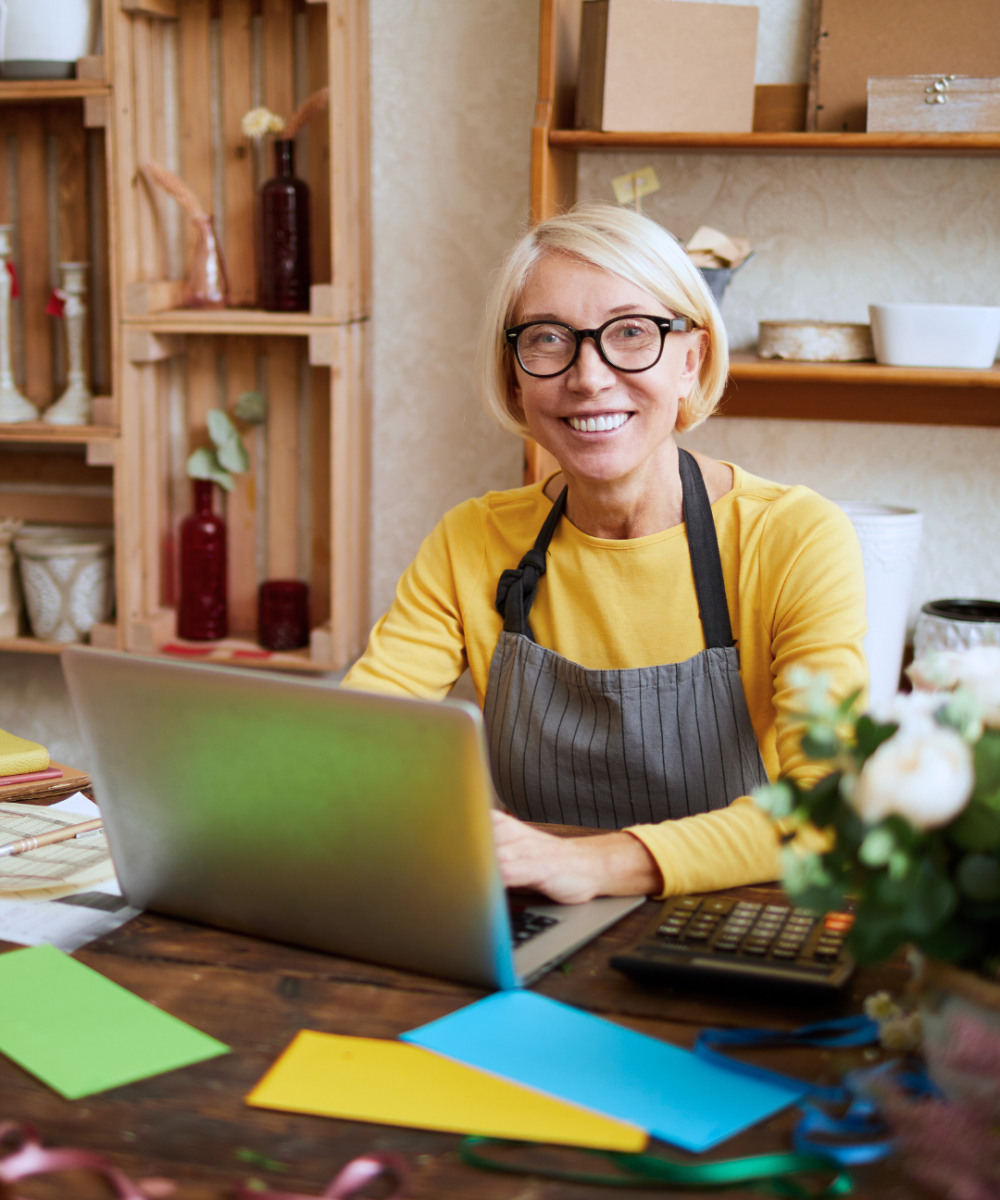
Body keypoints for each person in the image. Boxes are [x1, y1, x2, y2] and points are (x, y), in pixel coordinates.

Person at [343, 202, 867, 904]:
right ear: (515, 378)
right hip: (537, 924)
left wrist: (592, 865)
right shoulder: (472, 542)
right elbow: (355, 744)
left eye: (629, 333)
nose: (588, 377)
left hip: (731, 926)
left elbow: (825, 808)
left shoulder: (794, 538)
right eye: (550, 340)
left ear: (691, 359)